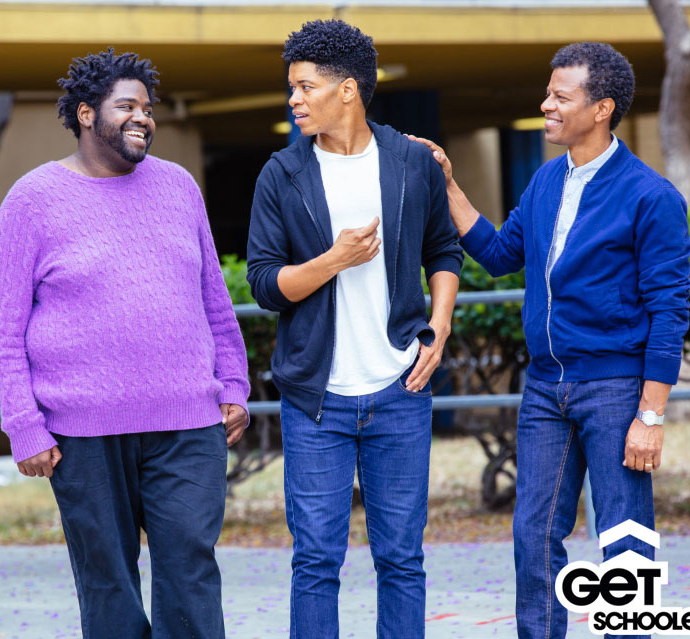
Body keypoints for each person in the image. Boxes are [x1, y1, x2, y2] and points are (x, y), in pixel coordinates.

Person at [410, 42, 690, 639]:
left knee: (623, 536)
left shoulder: (651, 196)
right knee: (533, 534)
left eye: (561, 97)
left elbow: (670, 312)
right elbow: (499, 255)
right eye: (548, 94)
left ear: (602, 108)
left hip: (615, 388)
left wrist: (651, 415)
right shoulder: (545, 182)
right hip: (544, 389)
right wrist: (449, 185)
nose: (546, 105)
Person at [0, 48, 249, 639]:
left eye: (147, 108)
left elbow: (214, 301)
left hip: (188, 423)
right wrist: (24, 426)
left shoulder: (179, 187)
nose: (142, 117)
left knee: (191, 572)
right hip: (82, 433)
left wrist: (233, 384)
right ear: (85, 114)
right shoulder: (32, 199)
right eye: (127, 106)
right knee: (108, 584)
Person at [246, 19, 463, 639]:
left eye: (305, 86)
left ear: (347, 90)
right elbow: (264, 283)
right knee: (316, 561)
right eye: (291, 87)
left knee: (402, 558)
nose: (293, 98)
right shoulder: (282, 173)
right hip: (316, 398)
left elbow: (443, 249)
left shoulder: (411, 161)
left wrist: (439, 326)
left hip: (401, 388)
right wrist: (332, 261)